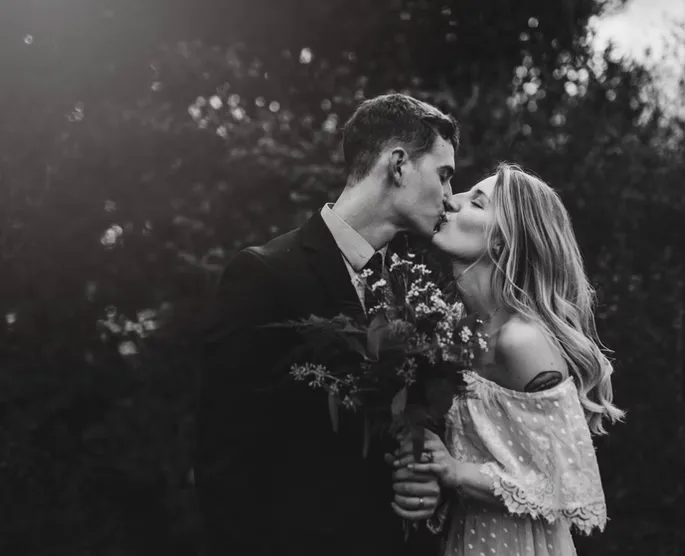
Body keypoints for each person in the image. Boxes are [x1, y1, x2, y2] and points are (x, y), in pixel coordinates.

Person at [195, 93, 459, 555]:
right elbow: (224, 461)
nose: (450, 199)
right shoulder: (265, 275)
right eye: (444, 176)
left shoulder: (413, 288)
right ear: (398, 165)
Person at [389, 163, 624, 555]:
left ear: (503, 242)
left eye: (476, 203)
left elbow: (567, 484)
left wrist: (455, 471)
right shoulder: (456, 331)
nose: (452, 199)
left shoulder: (521, 341)